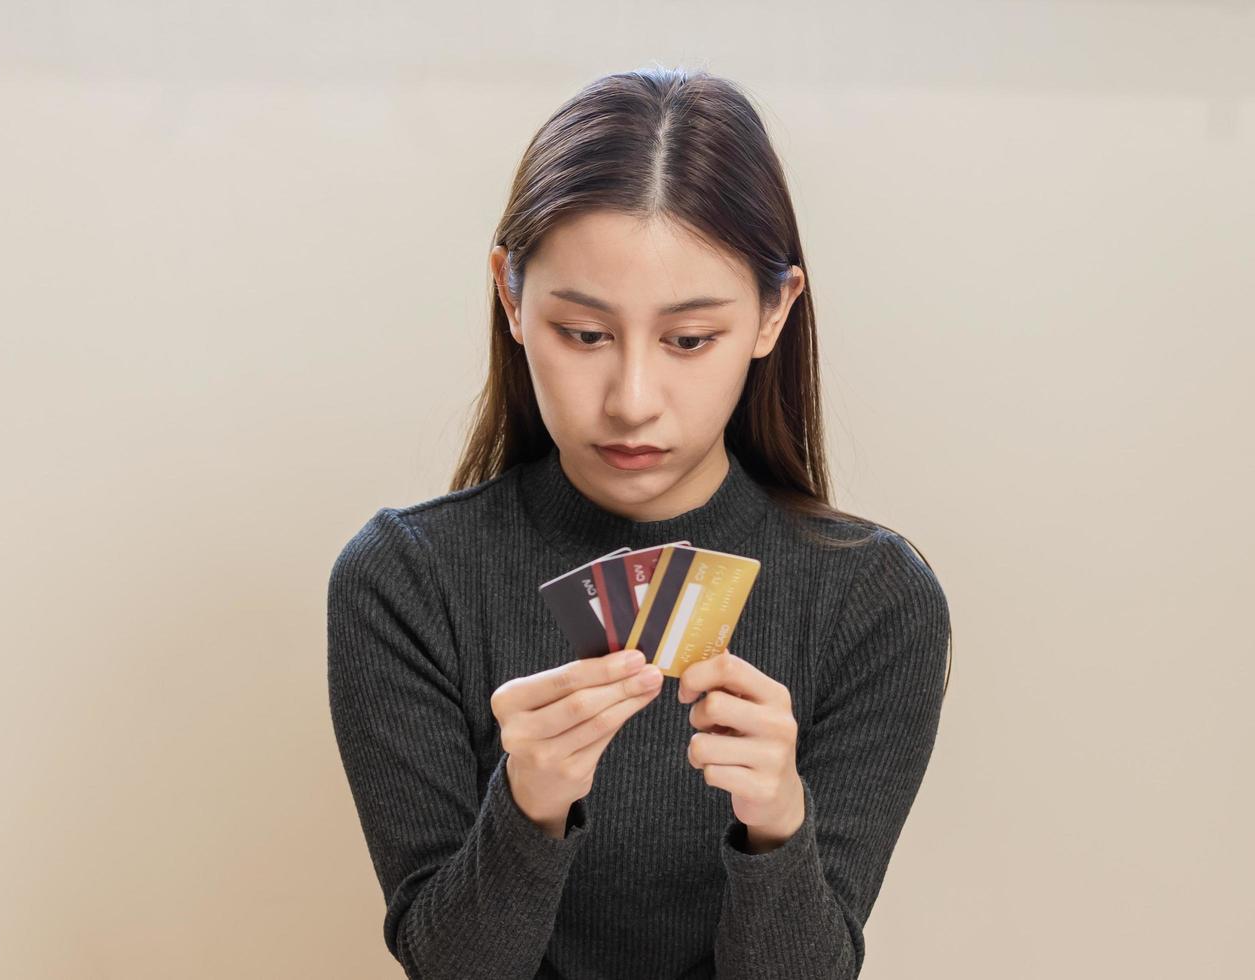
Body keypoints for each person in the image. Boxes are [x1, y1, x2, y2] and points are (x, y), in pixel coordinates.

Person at [327, 65, 954, 980]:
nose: (632, 402)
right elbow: (449, 967)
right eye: (584, 333)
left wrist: (777, 824)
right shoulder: (407, 578)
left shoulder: (875, 597)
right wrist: (531, 807)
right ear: (510, 297)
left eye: (689, 340)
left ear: (774, 312)